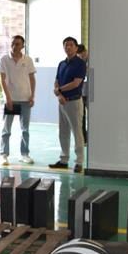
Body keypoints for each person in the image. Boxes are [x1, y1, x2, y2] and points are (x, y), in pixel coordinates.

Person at [49, 36, 87, 173]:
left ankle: (79, 162)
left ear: (76, 48)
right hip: (62, 102)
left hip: (74, 102)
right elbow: (57, 81)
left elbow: (76, 83)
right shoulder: (62, 64)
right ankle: (64, 160)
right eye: (66, 45)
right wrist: (59, 95)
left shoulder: (80, 64)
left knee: (77, 132)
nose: (68, 47)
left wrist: (59, 90)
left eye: (71, 45)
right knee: (63, 131)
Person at [0, 35, 37, 166]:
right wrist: (7, 97)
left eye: (18, 44)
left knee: (25, 129)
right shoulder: (4, 59)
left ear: (23, 46)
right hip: (11, 100)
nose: (15, 46)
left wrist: (32, 96)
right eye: (13, 43)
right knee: (6, 129)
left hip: (25, 99)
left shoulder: (28, 60)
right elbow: (2, 80)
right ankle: (4, 154)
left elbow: (32, 79)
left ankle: (24, 154)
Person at [77, 43, 89, 144]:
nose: (82, 57)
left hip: (91, 93)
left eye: (83, 55)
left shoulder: (93, 60)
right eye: (80, 56)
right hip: (81, 93)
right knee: (82, 116)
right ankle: (84, 139)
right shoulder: (78, 62)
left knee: (93, 116)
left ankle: (92, 136)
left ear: (85, 51)